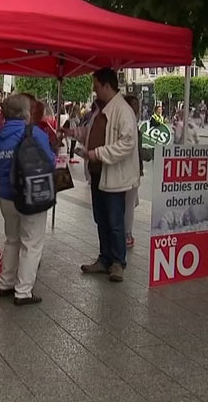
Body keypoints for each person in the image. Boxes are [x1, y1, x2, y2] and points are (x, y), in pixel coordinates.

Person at [64, 68, 140, 282]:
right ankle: (105, 258)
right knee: (102, 219)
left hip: (115, 176)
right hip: (99, 173)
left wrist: (97, 153)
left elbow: (127, 143)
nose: (94, 91)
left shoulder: (122, 111)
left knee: (115, 221)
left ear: (107, 85)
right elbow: (93, 133)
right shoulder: (101, 109)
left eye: (96, 86)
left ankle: (117, 262)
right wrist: (74, 134)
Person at [0, 94, 55, 306]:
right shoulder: (34, 133)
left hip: (5, 196)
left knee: (11, 239)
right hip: (29, 196)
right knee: (32, 242)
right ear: (25, 114)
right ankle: (23, 291)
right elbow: (50, 162)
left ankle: (5, 283)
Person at [123, 95, 143, 248]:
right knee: (129, 204)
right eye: (134, 104)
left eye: (137, 104)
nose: (137, 107)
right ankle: (126, 233)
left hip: (134, 169)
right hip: (130, 170)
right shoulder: (130, 123)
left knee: (131, 202)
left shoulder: (133, 122)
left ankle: (126, 232)